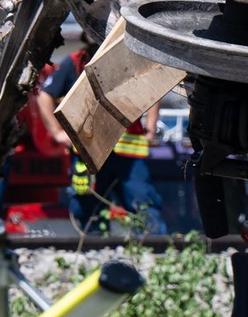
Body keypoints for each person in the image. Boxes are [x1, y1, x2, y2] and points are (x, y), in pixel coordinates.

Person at [34, 40, 166, 234]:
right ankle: (94, 249)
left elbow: (152, 86)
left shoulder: (129, 57)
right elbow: (45, 95)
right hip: (90, 152)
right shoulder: (76, 62)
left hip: (127, 154)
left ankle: (155, 251)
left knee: (143, 204)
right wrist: (57, 133)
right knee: (88, 206)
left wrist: (151, 126)